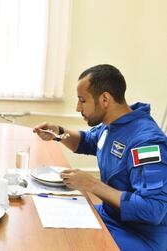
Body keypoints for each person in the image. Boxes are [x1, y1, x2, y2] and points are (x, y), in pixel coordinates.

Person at [33, 64, 167, 251]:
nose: (78, 107)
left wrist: (91, 184)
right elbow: (88, 141)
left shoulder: (146, 144)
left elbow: (153, 210)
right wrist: (59, 132)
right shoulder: (113, 124)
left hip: (141, 236)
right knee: (51, 222)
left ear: (105, 99)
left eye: (82, 100)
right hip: (111, 216)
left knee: (68, 243)